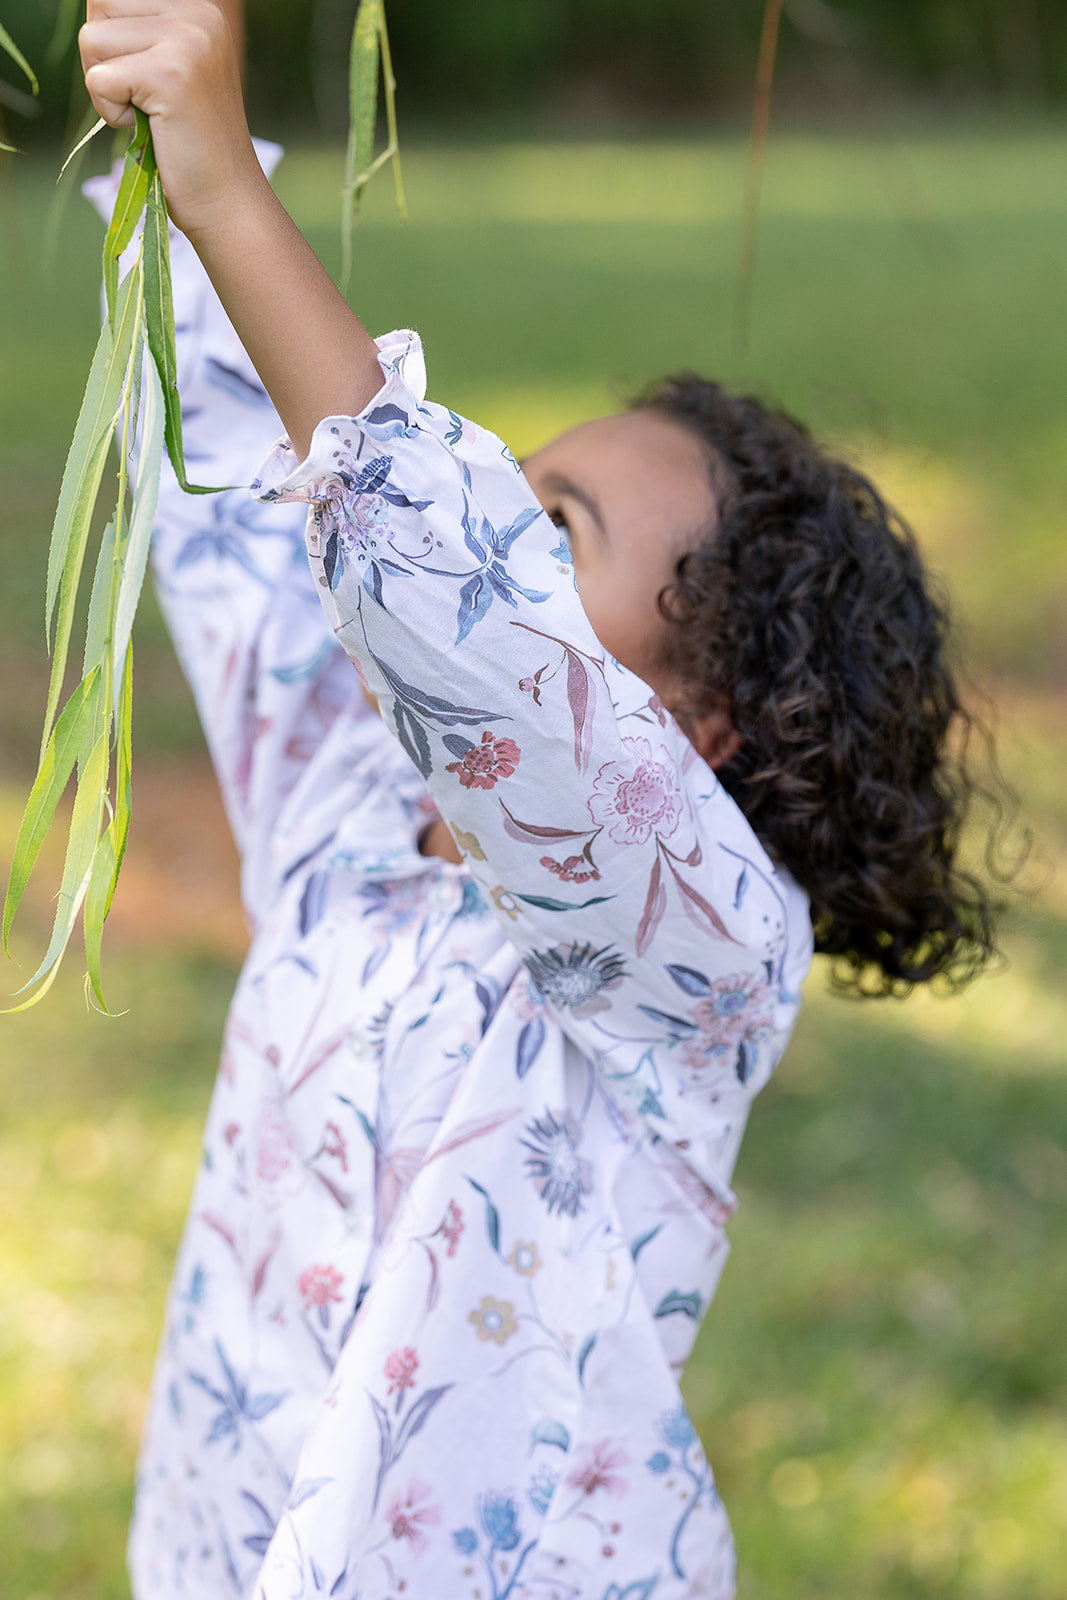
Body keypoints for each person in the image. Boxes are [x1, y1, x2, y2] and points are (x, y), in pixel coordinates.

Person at [77, 3, 1003, 1597]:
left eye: (551, 526)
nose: (496, 516)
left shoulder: (693, 946)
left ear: (694, 721)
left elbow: (467, 618)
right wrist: (170, 148)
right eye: (506, 484)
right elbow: (252, 482)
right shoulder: (346, 799)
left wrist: (234, 185)